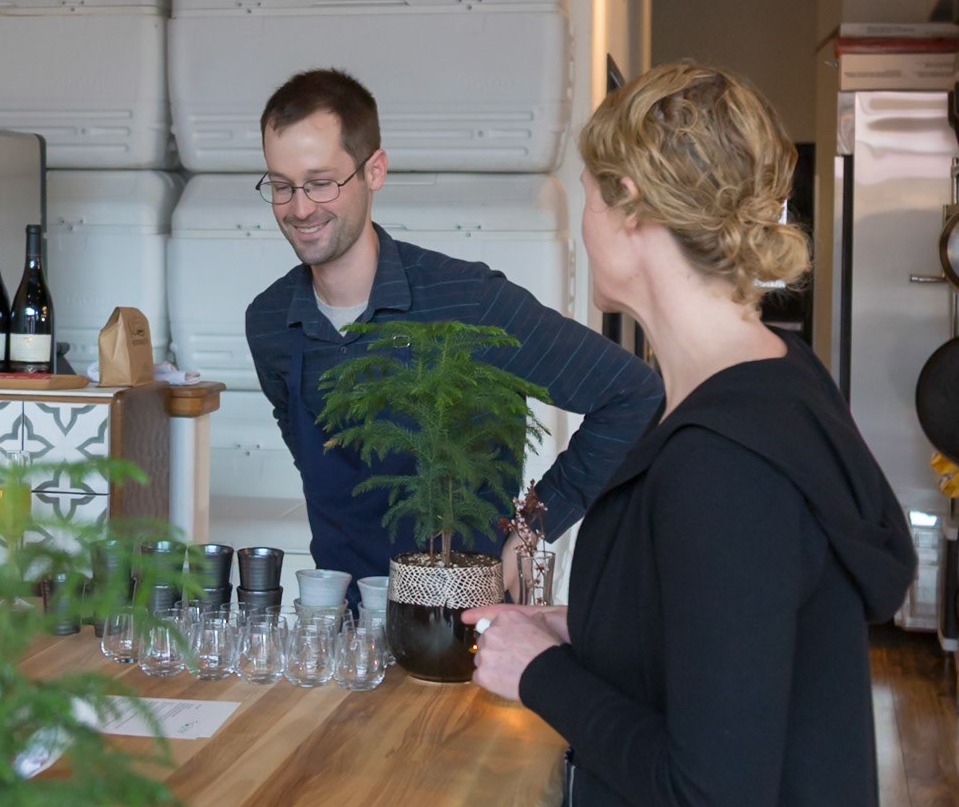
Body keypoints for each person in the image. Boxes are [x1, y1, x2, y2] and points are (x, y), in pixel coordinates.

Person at [467, 63, 916, 807]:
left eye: (589, 195)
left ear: (631, 203)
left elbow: (715, 801)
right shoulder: (778, 381)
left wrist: (539, 672)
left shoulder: (723, 463)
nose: (583, 225)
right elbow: (742, 648)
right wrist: (597, 631)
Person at [244, 68, 664, 590]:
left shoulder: (470, 301)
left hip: (467, 617)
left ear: (374, 171)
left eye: (321, 183)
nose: (300, 208)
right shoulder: (269, 323)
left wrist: (531, 531)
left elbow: (632, 393)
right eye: (281, 186)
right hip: (342, 618)